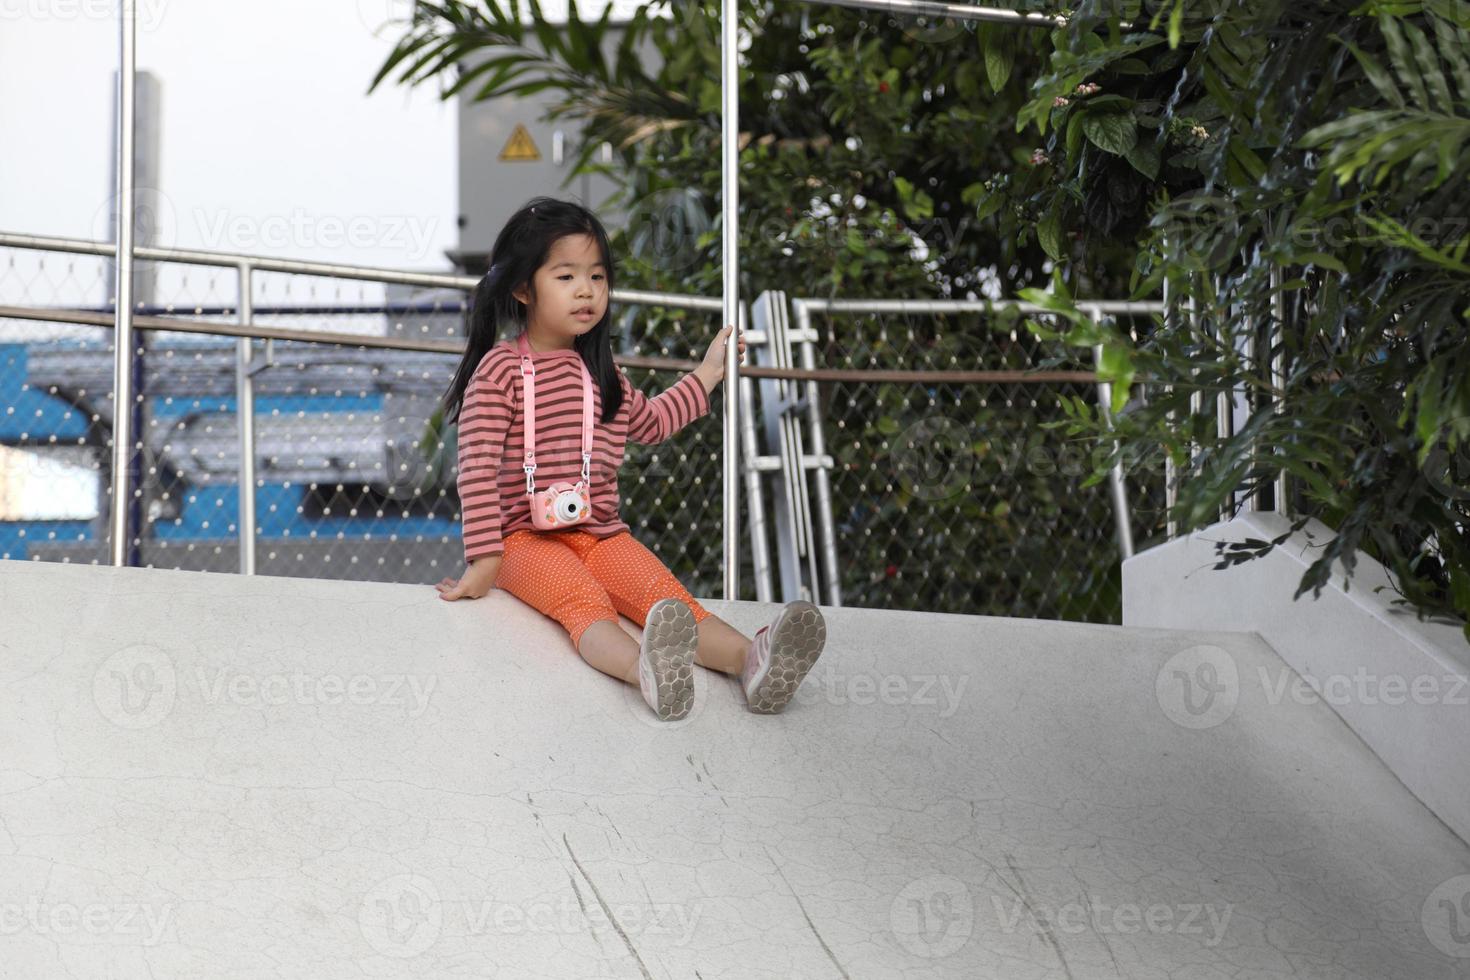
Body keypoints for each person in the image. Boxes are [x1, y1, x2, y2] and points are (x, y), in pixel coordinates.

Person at [434, 196, 826, 721]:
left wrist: (707, 374)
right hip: (521, 539)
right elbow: (477, 467)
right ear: (524, 289)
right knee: (583, 604)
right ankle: (647, 671)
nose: (586, 291)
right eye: (566, 276)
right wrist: (484, 561)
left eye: (597, 277)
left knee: (668, 600)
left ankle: (753, 663)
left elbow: (653, 422)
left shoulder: (601, 373)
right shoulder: (501, 369)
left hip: (600, 532)